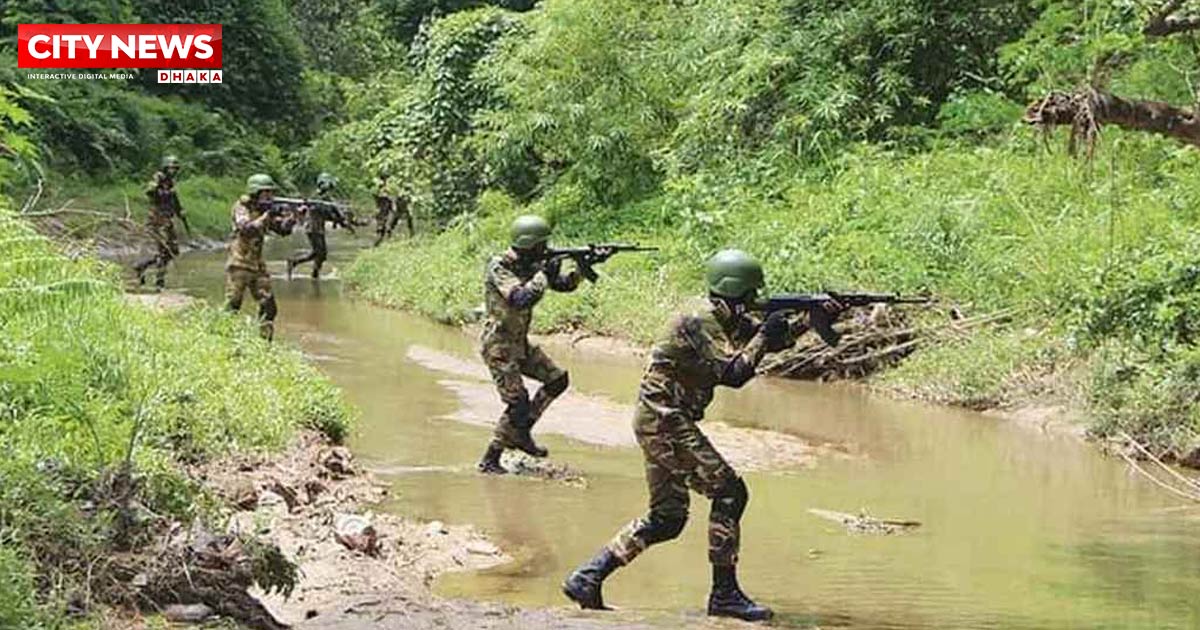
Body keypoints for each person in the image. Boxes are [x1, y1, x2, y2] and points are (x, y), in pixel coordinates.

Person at [560, 249, 842, 622]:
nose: (755, 300)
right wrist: (765, 333)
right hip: (664, 419)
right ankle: (724, 595)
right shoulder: (699, 320)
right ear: (736, 292)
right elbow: (735, 373)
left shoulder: (722, 317)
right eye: (750, 294)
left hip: (658, 418)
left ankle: (588, 575)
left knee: (667, 519)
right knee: (730, 491)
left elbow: (766, 340)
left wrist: (812, 320)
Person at [476, 215, 592, 474]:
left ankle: (522, 431)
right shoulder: (500, 266)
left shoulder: (532, 263)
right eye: (542, 245)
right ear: (529, 245)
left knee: (557, 380)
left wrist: (582, 269)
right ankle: (490, 458)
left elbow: (563, 285)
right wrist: (543, 273)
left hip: (519, 343)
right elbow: (521, 298)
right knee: (517, 402)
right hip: (499, 346)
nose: (545, 249)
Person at [225, 174, 295, 341]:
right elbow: (246, 229)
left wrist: (292, 219)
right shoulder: (242, 207)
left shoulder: (265, 211)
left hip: (257, 266)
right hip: (239, 263)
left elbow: (282, 230)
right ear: (255, 192)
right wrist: (265, 216)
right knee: (233, 305)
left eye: (271, 193)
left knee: (269, 306)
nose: (270, 196)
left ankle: (264, 344)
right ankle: (224, 339)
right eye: (266, 193)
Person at [133, 155, 189, 289]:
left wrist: (180, 212)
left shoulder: (170, 183)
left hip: (167, 220)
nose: (174, 171)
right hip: (156, 221)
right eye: (171, 168)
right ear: (165, 167)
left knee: (173, 251)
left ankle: (143, 266)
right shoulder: (158, 178)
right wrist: (157, 185)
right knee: (164, 250)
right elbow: (149, 192)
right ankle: (159, 280)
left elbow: (174, 200)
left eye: (175, 168)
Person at [286, 172, 352, 280]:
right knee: (320, 253)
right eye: (329, 185)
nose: (330, 188)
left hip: (318, 229)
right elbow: (325, 211)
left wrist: (342, 221)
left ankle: (305, 268)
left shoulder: (325, 198)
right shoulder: (316, 197)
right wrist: (338, 219)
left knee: (319, 254)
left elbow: (333, 211)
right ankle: (307, 270)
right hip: (313, 228)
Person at [372, 172, 397, 247]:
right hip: (383, 210)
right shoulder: (382, 188)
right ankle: (378, 244)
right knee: (383, 227)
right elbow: (381, 197)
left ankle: (380, 243)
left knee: (384, 227)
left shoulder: (383, 188)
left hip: (383, 210)